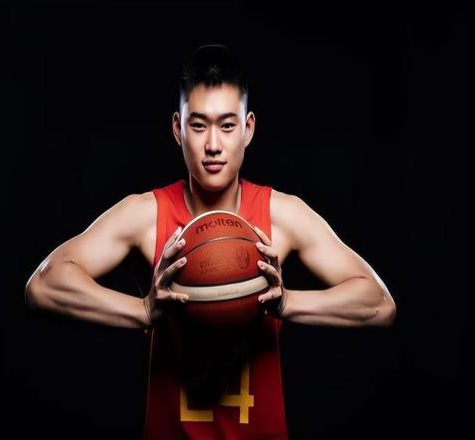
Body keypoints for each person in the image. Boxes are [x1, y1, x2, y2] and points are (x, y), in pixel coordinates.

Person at [25, 43, 396, 439]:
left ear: (248, 129)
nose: (213, 144)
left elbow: (379, 303)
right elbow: (44, 285)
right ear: (177, 128)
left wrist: (288, 303)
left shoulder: (282, 216)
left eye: (227, 126)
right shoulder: (146, 216)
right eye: (199, 125)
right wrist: (143, 311)